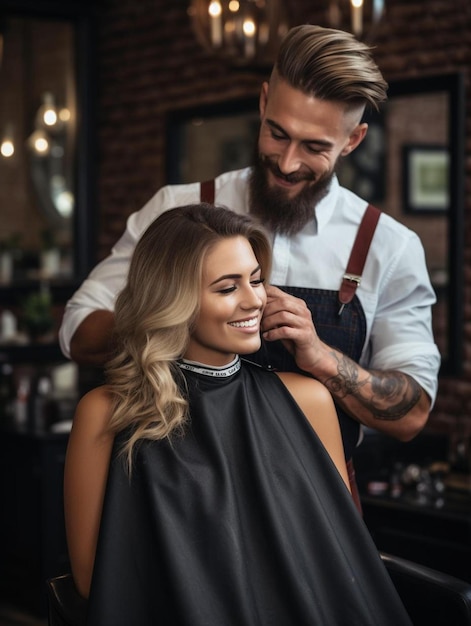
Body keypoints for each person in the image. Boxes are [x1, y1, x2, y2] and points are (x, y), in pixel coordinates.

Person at [59, 24, 440, 485]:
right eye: (277, 133)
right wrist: (178, 310)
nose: (287, 162)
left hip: (313, 502)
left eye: (315, 147)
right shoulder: (175, 209)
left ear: (353, 140)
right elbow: (79, 332)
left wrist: (319, 356)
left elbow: (411, 414)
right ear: (263, 103)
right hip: (178, 492)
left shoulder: (388, 246)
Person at [64, 204, 411, 625]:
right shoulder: (107, 413)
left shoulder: (308, 400)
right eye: (227, 288)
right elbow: (92, 581)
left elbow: (335, 552)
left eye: (257, 280)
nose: (254, 301)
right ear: (173, 298)